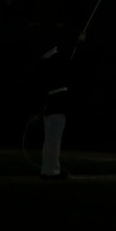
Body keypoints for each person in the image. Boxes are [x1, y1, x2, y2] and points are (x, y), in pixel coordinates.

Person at [38, 43, 70, 179]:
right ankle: (51, 171)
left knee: (50, 141)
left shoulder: (45, 64)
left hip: (51, 107)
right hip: (56, 107)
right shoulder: (54, 63)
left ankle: (48, 169)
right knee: (53, 141)